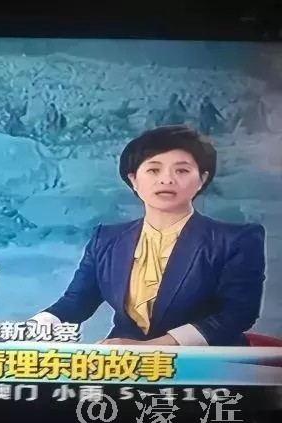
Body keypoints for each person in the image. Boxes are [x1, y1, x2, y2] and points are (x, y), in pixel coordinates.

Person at [29, 125, 266, 346]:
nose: (167, 179)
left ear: (202, 180)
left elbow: (237, 314)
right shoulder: (106, 240)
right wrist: (30, 330)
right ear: (133, 180)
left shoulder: (236, 240)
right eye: (153, 170)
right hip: (123, 363)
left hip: (211, 364)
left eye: (182, 170)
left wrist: (154, 347)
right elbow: (76, 302)